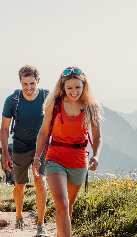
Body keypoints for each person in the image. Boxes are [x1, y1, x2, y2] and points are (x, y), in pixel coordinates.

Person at [32, 67, 103, 237]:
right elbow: (43, 132)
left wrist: (96, 155)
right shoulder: (54, 105)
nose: (74, 91)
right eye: (69, 87)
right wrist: (36, 158)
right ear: (63, 87)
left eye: (77, 87)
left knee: (68, 206)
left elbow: (98, 136)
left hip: (79, 161)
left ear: (84, 86)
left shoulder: (90, 107)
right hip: (55, 158)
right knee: (62, 205)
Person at [1, 65, 49, 236]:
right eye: (25, 84)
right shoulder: (12, 100)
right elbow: (5, 128)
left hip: (41, 147)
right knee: (20, 185)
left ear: (38, 81)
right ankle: (19, 217)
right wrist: (5, 153)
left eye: (32, 83)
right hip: (20, 146)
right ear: (20, 82)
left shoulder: (47, 97)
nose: (29, 88)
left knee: (40, 181)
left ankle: (40, 224)